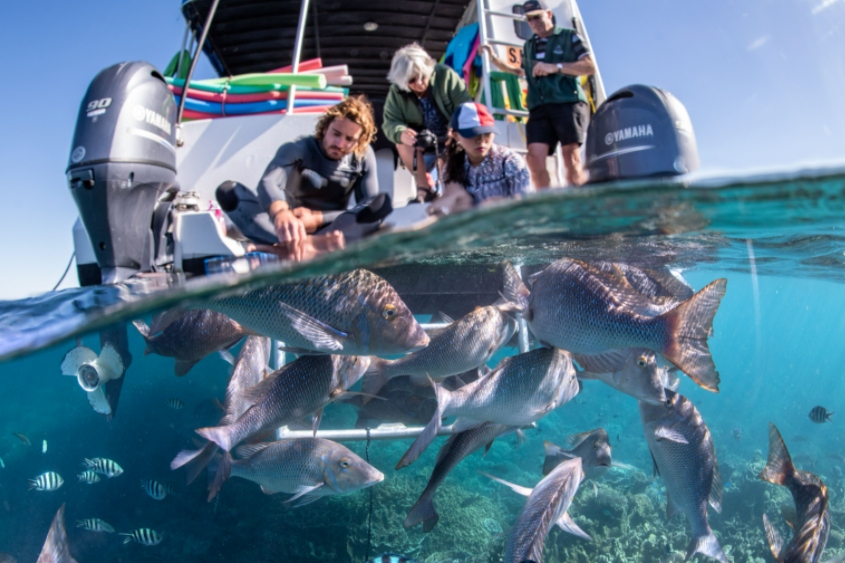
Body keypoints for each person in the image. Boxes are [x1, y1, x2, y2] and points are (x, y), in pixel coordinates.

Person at [216, 95, 391, 261]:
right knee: (228, 192)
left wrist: (317, 218)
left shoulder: (362, 157)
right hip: (286, 228)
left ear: (359, 142)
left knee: (381, 205)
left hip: (331, 230)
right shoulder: (298, 149)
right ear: (324, 129)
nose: (340, 144)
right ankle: (301, 247)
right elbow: (268, 182)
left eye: (349, 139)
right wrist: (281, 213)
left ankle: (287, 249)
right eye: (336, 134)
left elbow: (368, 205)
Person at [481, 0, 596, 187]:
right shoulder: (529, 45)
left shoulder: (569, 36)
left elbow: (589, 66)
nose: (533, 22)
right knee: (534, 157)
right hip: (539, 107)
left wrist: (555, 67)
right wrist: (494, 59)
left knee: (570, 156)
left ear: (549, 14)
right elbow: (521, 72)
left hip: (567, 101)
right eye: (529, 19)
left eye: (537, 17)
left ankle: (580, 203)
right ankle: (547, 204)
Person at [383, 43, 473, 201]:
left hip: (451, 137)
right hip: (421, 142)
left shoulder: (445, 75)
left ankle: (449, 193)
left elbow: (465, 106)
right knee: (401, 143)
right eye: (412, 80)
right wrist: (400, 132)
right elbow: (390, 122)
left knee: (446, 161)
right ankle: (424, 188)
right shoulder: (396, 91)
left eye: (422, 77)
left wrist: (454, 128)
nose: (419, 83)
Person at [429, 102, 532, 217]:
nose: (481, 140)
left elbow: (526, 207)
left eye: (487, 133)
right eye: (472, 134)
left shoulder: (510, 162)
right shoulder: (449, 169)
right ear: (456, 136)